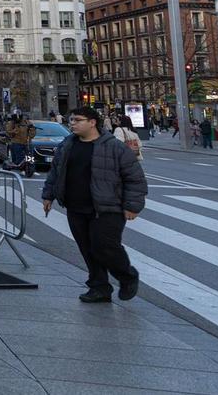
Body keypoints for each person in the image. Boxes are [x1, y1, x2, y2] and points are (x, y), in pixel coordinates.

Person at [43, 107, 146, 303]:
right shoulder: (68, 144)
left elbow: (135, 178)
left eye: (78, 120)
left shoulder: (114, 147)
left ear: (92, 122)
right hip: (75, 206)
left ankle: (127, 276)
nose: (72, 123)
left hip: (107, 208)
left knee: (105, 247)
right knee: (87, 248)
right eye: (71, 120)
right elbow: (55, 172)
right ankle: (99, 287)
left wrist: (132, 206)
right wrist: (48, 196)